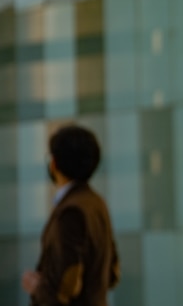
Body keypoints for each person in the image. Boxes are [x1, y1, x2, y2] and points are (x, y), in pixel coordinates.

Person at [21, 124, 120, 306]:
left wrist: (36, 286)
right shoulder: (97, 203)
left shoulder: (71, 211)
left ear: (54, 163)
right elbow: (112, 273)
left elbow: (64, 288)